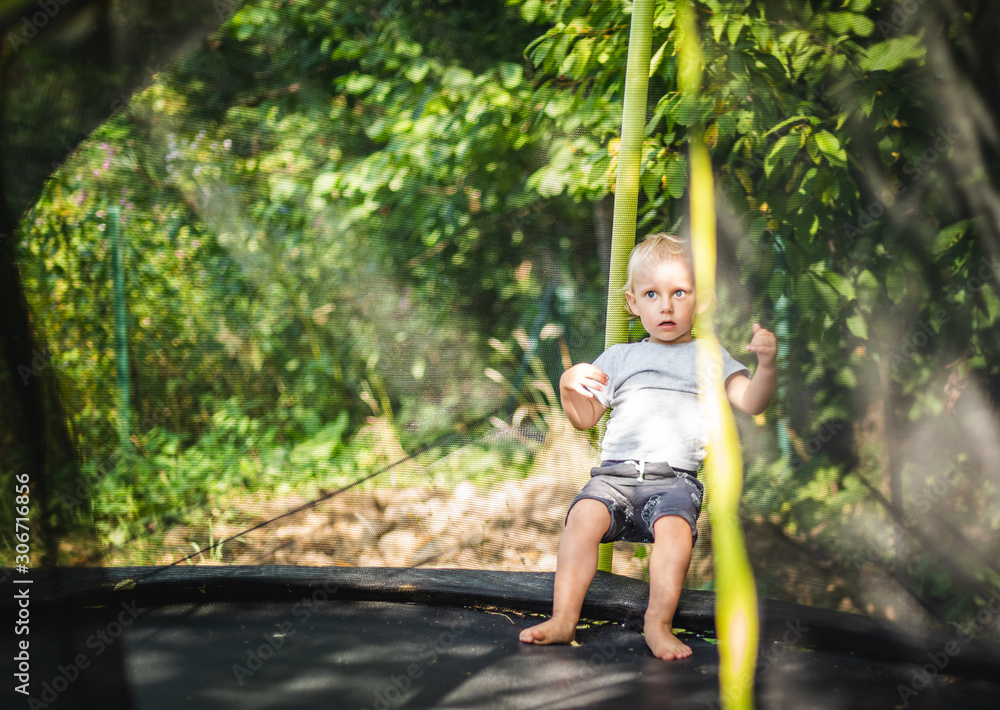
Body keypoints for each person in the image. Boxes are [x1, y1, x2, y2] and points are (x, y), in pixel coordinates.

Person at [519, 232, 777, 660]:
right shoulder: (619, 358)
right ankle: (564, 618)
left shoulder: (708, 357)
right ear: (633, 303)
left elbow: (752, 400)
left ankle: (657, 624)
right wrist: (567, 385)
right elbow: (584, 418)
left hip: (674, 481)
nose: (667, 306)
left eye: (679, 292)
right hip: (614, 478)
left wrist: (766, 366)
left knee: (675, 532)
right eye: (653, 294)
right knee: (581, 517)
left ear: (702, 301)